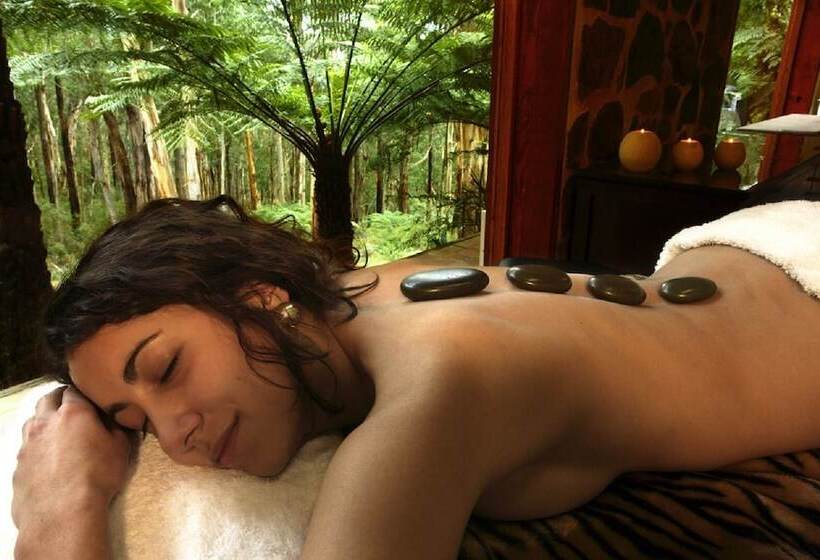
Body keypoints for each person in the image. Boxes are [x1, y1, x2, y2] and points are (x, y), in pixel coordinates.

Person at [11, 196, 820, 559]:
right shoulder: (342, 301)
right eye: (134, 424)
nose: (174, 435)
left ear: (257, 295)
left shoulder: (441, 388)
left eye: (164, 368)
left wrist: (57, 512)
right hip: (737, 246)